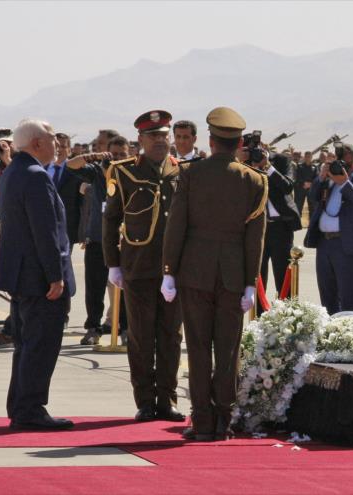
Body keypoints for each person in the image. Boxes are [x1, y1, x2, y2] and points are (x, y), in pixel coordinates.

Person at [162, 107, 267, 441]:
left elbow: (175, 226)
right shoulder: (255, 180)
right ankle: (224, 420)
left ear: (210, 139)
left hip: (195, 271)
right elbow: (255, 239)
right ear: (238, 144)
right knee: (228, 349)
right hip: (233, 275)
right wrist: (251, 281)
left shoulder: (191, 174)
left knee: (197, 346)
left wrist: (169, 270)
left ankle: (203, 421)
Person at [103, 110, 184, 423]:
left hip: (173, 269)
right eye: (154, 136)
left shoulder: (182, 172)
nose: (161, 141)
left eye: (164, 135)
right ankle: (145, 400)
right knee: (140, 336)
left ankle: (168, 399)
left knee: (171, 336)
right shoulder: (124, 172)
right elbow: (111, 220)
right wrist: (113, 264)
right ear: (141, 139)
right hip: (138, 266)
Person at [0, 119, 75, 430]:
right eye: (52, 138)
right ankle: (30, 409)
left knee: (26, 344)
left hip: (22, 275)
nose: (56, 143)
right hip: (40, 278)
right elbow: (46, 232)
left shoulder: (14, 171)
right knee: (40, 344)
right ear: (37, 144)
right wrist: (55, 276)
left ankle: (20, 405)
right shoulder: (35, 176)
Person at [66, 136, 129, 345]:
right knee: (95, 288)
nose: (118, 159)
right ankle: (93, 328)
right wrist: (93, 156)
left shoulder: (133, 173)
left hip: (126, 241)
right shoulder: (96, 172)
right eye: (114, 154)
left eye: (122, 154)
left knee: (126, 289)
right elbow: (70, 166)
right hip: (98, 239)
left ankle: (126, 329)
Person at [304, 142, 353, 314]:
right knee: (327, 296)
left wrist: (345, 183)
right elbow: (313, 196)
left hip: (347, 245)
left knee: (348, 297)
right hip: (324, 244)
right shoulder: (329, 176)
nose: (342, 167)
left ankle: (346, 338)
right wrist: (322, 176)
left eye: (347, 163)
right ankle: (329, 336)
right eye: (339, 162)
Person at [247, 144, 301, 305]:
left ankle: (286, 316)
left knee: (283, 276)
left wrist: (267, 167)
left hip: (280, 228)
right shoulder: (245, 164)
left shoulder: (282, 160)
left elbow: (287, 186)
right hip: (257, 229)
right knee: (258, 277)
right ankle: (258, 319)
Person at [47, 133, 82, 252]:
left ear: (70, 150)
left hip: (67, 227)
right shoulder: (41, 169)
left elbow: (81, 202)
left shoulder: (78, 171)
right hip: (43, 225)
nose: (59, 150)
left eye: (63, 146)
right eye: (56, 146)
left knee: (62, 265)